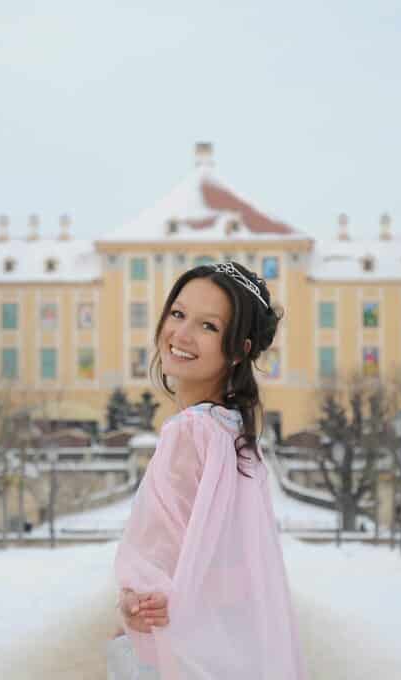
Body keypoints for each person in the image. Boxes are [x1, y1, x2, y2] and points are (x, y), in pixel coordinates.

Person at [108, 261, 307, 679]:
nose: (180, 334)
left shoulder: (191, 432)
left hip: (183, 658)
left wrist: (134, 602)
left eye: (208, 326)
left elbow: (156, 569)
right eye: (178, 314)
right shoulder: (233, 434)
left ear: (241, 349)